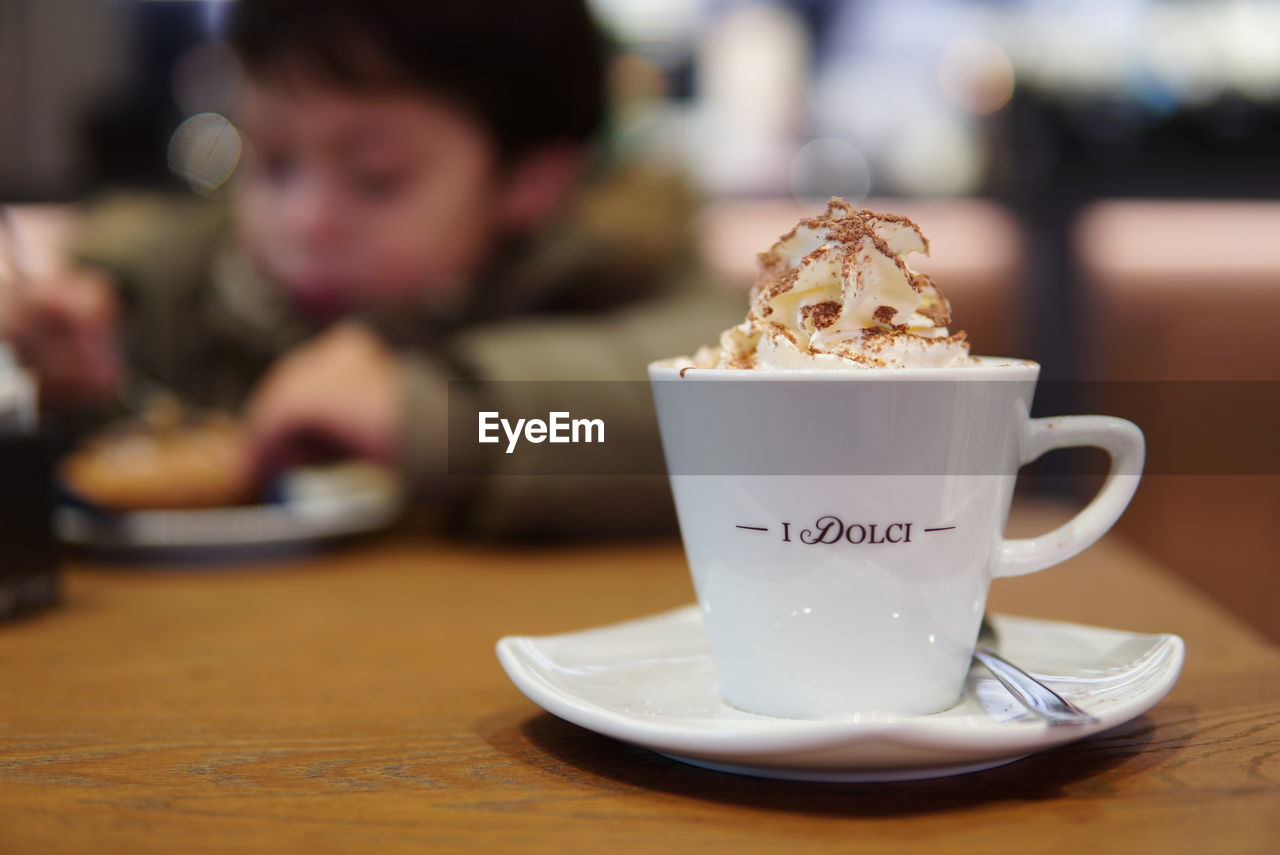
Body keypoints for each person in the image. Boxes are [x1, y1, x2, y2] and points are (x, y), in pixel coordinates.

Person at [0, 0, 737, 538]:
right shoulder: (185, 289)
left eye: (376, 176)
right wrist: (73, 367)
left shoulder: (620, 274)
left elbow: (703, 424)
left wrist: (445, 423)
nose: (304, 218)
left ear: (531, 181)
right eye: (275, 161)